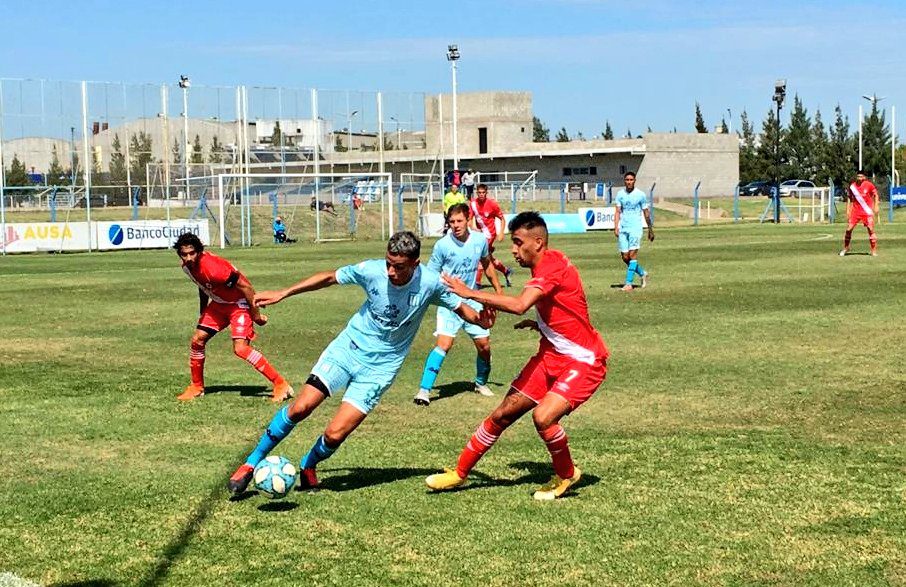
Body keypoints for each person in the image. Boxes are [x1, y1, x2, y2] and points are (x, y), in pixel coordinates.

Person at [227, 231, 494, 495]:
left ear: (415, 263)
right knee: (301, 407)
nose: (390, 271)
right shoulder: (371, 270)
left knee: (335, 434)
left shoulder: (431, 282)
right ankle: (250, 463)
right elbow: (330, 277)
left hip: (381, 369)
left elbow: (461, 308)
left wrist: (478, 320)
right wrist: (284, 292)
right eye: (388, 263)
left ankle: (309, 465)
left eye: (398, 266)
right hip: (347, 351)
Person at [426, 211, 608, 500]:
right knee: (503, 412)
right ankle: (459, 474)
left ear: (537, 242)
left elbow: (521, 303)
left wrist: (469, 293)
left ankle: (566, 474)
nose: (512, 249)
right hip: (551, 354)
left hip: (584, 361)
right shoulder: (550, 262)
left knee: (544, 417)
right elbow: (566, 305)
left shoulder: (550, 267)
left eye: (517, 242)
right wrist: (542, 325)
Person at [174, 233, 293, 402]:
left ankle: (281, 384)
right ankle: (196, 386)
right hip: (218, 304)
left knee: (241, 349)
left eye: (192, 253)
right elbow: (202, 285)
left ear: (199, 252)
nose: (188, 258)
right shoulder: (187, 267)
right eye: (184, 254)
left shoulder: (215, 268)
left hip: (238, 304)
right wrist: (203, 311)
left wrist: (256, 316)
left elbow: (246, 288)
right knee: (197, 340)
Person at [414, 204, 503, 406]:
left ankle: (480, 383)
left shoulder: (479, 240)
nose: (455, 225)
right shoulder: (442, 246)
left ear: (467, 219)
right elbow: (431, 275)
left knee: (484, 347)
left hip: (473, 301)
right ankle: (424, 391)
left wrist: (498, 291)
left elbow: (487, 264)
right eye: (452, 222)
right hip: (449, 303)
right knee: (444, 345)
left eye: (459, 221)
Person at [613, 171, 654, 291]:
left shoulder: (640, 195)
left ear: (634, 181)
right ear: (624, 181)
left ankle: (628, 283)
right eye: (627, 180)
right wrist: (616, 226)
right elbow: (617, 211)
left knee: (632, 255)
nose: (629, 182)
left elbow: (646, 213)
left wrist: (650, 229)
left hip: (635, 228)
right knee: (625, 257)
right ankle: (642, 273)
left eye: (631, 180)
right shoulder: (620, 194)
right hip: (623, 228)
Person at [470, 183, 513, 287]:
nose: (481, 194)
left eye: (483, 192)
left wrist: (501, 233)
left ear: (486, 193)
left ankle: (477, 283)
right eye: (479, 192)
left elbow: (502, 219)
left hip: (490, 234)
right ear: (477, 193)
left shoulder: (492, 204)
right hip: (480, 234)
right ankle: (506, 271)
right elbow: (469, 220)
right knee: (488, 258)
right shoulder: (473, 204)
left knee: (480, 256)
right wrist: (473, 228)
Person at [840, 170, 879, 257]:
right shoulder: (852, 186)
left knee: (870, 229)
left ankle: (873, 250)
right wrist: (848, 210)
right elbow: (849, 198)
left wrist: (876, 206)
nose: (859, 178)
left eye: (861, 176)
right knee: (848, 229)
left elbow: (876, 194)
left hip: (867, 211)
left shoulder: (869, 185)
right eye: (858, 176)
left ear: (864, 177)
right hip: (855, 211)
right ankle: (846, 248)